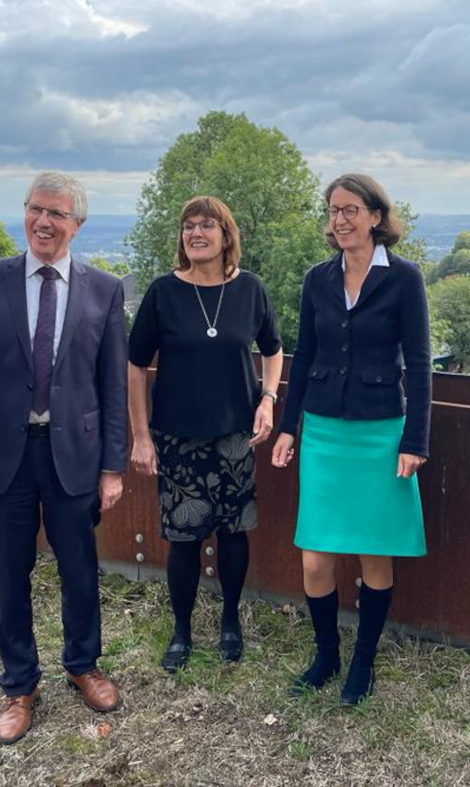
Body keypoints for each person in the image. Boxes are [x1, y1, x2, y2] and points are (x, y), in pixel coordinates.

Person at [0, 171, 128, 745]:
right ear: (25, 213)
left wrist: (112, 466)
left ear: (78, 224)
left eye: (57, 213)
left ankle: (83, 665)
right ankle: (20, 686)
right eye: (35, 209)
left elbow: (112, 387)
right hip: (3, 457)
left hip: (74, 454)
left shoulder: (105, 288)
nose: (44, 222)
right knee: (9, 575)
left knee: (80, 571)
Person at [270, 172, 431, 706]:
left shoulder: (405, 279)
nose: (339, 220)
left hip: (382, 433)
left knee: (372, 554)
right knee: (316, 558)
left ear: (376, 217)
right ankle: (326, 655)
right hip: (323, 432)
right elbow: (305, 356)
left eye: (350, 210)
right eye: (333, 210)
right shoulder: (317, 278)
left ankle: (363, 661)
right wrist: (288, 427)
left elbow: (421, 365)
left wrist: (415, 439)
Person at [127, 196, 283, 672]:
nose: (197, 233)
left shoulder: (250, 289)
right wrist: (140, 436)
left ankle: (230, 619)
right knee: (184, 538)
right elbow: (135, 367)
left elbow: (273, 351)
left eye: (207, 225)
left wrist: (269, 399)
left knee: (234, 534)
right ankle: (182, 629)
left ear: (226, 235)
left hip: (235, 435)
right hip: (177, 436)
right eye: (188, 225)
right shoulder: (163, 292)